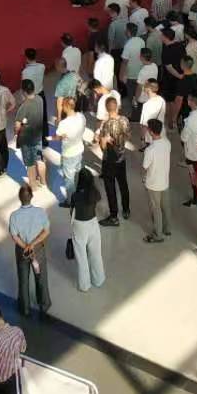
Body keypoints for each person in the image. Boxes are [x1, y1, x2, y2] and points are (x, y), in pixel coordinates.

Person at [7, 184, 51, 319]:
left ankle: (24, 308)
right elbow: (46, 232)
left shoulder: (14, 216)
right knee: (41, 278)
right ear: (31, 196)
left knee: (23, 279)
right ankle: (44, 306)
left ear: (19, 198)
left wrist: (25, 246)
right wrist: (32, 244)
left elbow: (14, 236)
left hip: (22, 251)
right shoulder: (41, 212)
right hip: (37, 250)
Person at [69, 168, 106, 292]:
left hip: (79, 225)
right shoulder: (94, 193)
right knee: (96, 253)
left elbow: (72, 211)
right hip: (93, 224)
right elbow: (98, 198)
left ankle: (84, 285)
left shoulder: (75, 196)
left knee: (81, 257)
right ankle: (99, 279)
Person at [96, 95, 131, 225]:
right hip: (121, 158)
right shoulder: (125, 120)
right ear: (117, 107)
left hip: (109, 161)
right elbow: (128, 136)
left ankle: (114, 216)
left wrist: (103, 141)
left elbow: (103, 146)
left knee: (110, 188)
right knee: (123, 185)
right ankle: (126, 210)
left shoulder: (105, 124)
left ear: (106, 108)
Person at [50, 96, 87, 200]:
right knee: (77, 171)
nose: (61, 107)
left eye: (62, 105)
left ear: (66, 107)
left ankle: (71, 201)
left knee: (69, 180)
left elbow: (57, 137)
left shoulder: (64, 123)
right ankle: (80, 191)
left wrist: (50, 138)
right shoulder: (81, 116)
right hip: (79, 149)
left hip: (69, 154)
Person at [142, 118, 172, 243]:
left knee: (156, 209)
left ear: (150, 132)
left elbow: (145, 166)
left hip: (153, 183)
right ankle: (167, 228)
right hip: (164, 180)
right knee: (165, 206)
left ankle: (158, 235)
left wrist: (144, 177)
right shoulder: (167, 143)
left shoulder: (150, 150)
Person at [14, 79, 46, 189]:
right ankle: (43, 181)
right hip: (38, 136)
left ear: (23, 91)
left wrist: (16, 132)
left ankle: (33, 185)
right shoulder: (40, 99)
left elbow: (17, 126)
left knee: (30, 164)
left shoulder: (23, 107)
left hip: (27, 140)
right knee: (39, 159)